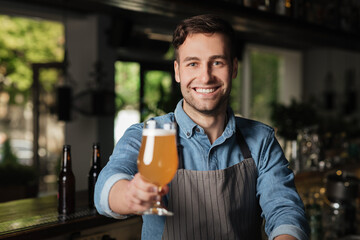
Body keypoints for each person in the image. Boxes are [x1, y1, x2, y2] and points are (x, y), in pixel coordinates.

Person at [95, 14, 310, 240]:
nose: (205, 77)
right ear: (178, 71)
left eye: (217, 62)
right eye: (193, 63)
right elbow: (106, 187)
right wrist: (129, 194)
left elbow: (285, 210)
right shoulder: (148, 134)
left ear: (234, 68)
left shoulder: (261, 139)